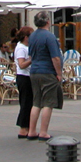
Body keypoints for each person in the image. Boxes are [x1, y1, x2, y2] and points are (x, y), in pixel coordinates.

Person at [25, 11, 62, 141]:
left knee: (36, 102)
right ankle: (43, 132)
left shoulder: (32, 36)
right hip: (47, 71)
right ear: (48, 22)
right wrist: (58, 73)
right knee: (48, 102)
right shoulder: (50, 37)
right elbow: (55, 58)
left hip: (34, 71)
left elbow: (30, 55)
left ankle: (31, 131)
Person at [13, 27, 34, 139]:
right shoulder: (21, 48)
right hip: (23, 76)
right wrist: (31, 59)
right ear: (26, 37)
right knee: (26, 103)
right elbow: (21, 64)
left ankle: (27, 127)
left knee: (28, 103)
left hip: (28, 76)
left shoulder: (26, 47)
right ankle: (23, 128)